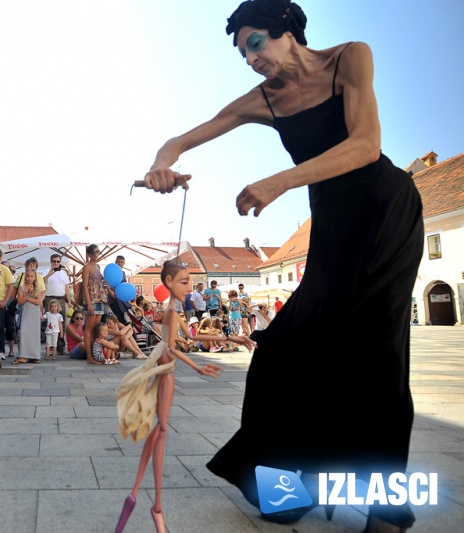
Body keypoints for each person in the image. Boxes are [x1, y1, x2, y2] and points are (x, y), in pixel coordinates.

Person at [141, 2, 424, 530]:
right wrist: (162, 164)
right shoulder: (262, 100)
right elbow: (184, 138)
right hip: (334, 226)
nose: (250, 59)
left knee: (378, 355)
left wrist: (280, 181)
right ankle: (288, 493)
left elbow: (366, 145)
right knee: (279, 353)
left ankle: (387, 511)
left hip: (385, 211)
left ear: (287, 31)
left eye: (255, 44)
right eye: (242, 52)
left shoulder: (350, 59)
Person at [114, 260, 254, 532]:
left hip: (168, 375)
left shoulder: (175, 310)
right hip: (165, 375)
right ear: (168, 283)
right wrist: (198, 367)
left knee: (160, 431)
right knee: (162, 430)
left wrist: (231, 340)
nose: (189, 287)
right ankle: (154, 506)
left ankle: (140, 497)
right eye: (183, 281)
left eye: (189, 281)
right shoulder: (169, 311)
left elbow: (192, 337)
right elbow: (172, 349)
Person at [82, 244, 108, 364]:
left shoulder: (97, 266)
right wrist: (89, 303)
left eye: (98, 252)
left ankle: (94, 353)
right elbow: (85, 286)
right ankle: (89, 356)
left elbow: (100, 282)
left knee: (96, 329)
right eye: (95, 252)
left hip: (99, 299)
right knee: (89, 329)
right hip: (91, 299)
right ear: (90, 254)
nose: (97, 254)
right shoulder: (87, 267)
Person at [13, 261, 42, 365]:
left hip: (34, 313)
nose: (29, 278)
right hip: (25, 312)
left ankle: (34, 355)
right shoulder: (21, 288)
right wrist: (27, 295)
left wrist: (28, 299)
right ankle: (23, 355)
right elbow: (20, 301)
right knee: (23, 332)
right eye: (28, 276)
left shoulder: (37, 288)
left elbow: (38, 302)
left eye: (31, 276)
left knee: (34, 334)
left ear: (35, 278)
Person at [43, 253, 71, 354]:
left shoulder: (63, 273)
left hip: (61, 299)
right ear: (51, 262)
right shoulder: (46, 271)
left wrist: (69, 300)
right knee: (50, 322)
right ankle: (50, 346)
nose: (56, 263)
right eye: (54, 261)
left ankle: (61, 347)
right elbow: (41, 282)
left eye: (58, 261)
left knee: (61, 322)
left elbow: (66, 287)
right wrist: (49, 274)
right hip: (49, 298)